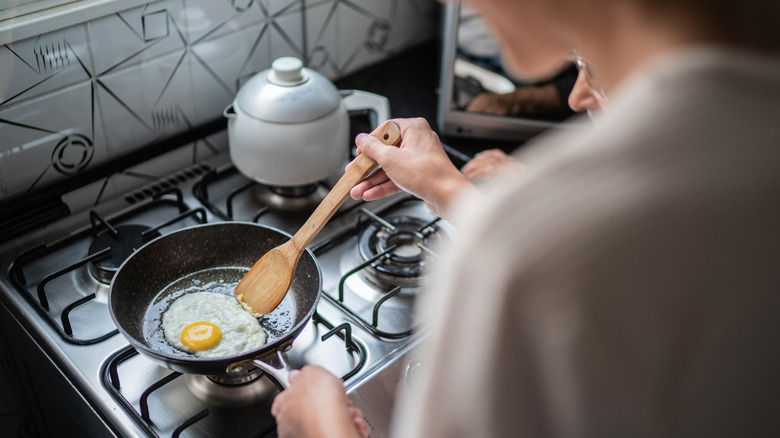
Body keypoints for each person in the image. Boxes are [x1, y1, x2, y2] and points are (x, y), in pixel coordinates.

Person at [272, 0, 780, 436]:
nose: (579, 97)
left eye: (592, 66)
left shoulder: (528, 248)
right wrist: (447, 188)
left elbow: (554, 264)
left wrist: (320, 424)